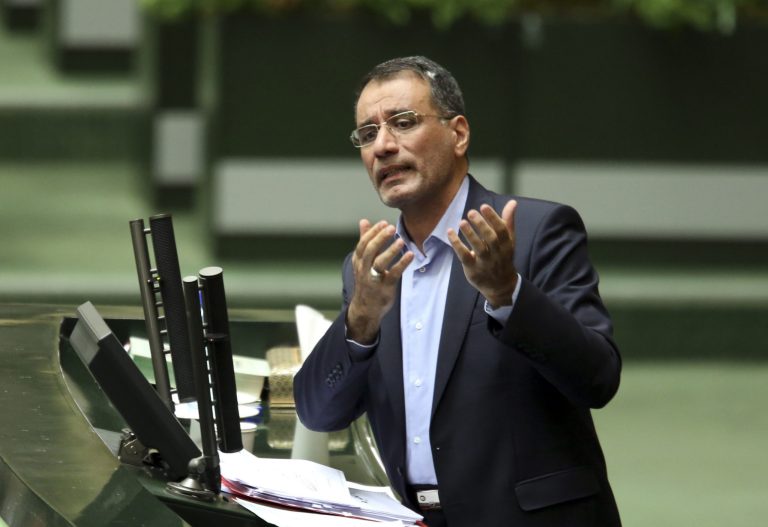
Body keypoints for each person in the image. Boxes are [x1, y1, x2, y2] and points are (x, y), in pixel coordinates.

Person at [293, 56, 622, 527]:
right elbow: (319, 412)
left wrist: (507, 293)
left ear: (458, 133)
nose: (383, 146)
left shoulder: (535, 232)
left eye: (403, 123)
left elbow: (598, 378)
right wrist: (360, 317)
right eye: (367, 134)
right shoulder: (370, 266)